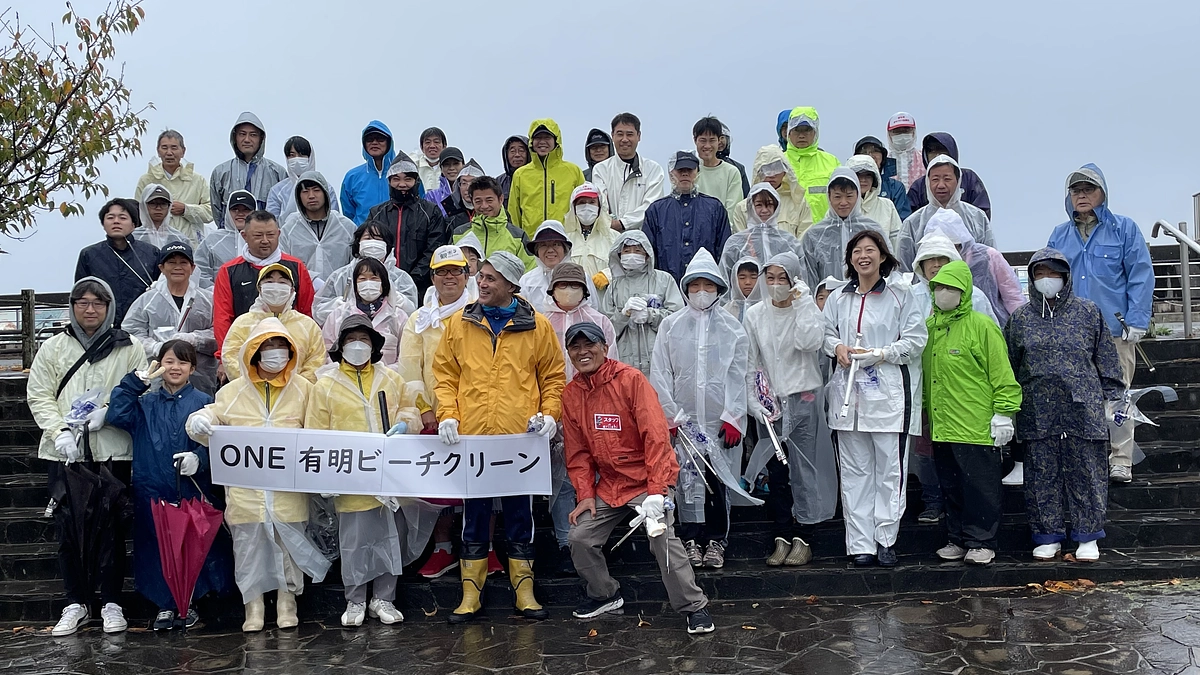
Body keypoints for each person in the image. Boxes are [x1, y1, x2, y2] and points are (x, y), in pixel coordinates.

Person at [433, 251, 566, 623]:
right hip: (473, 438)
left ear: (510, 283)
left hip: (518, 440)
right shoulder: (460, 323)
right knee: (473, 515)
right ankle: (470, 591)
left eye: (491, 278)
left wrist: (550, 415)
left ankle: (524, 587)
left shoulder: (536, 326)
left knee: (520, 514)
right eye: (482, 277)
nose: (482, 283)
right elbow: (445, 375)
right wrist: (448, 415)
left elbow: (553, 378)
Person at [562, 322, 714, 635]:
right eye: (575, 347)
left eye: (589, 344)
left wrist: (658, 491)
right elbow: (577, 454)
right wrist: (585, 495)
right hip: (610, 486)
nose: (582, 352)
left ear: (604, 348)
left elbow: (656, 436)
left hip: (648, 481)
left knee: (660, 535)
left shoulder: (630, 380)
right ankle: (604, 594)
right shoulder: (571, 394)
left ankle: (694, 607)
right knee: (579, 537)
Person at [185, 318, 330, 632]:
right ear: (253, 353)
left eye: (281, 347)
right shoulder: (232, 392)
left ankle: (287, 602)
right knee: (248, 550)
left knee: (289, 548)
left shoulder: (305, 389)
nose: (275, 354)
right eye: (267, 347)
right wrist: (198, 420)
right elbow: (211, 417)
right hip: (246, 493)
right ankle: (253, 606)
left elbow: (321, 430)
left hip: (289, 490)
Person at [28, 277, 148, 637]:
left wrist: (109, 412)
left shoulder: (129, 347)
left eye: (98, 302)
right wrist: (58, 431)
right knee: (68, 528)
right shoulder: (52, 348)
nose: (90, 309)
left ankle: (111, 601)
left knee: (111, 528)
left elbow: (142, 388)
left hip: (112, 450)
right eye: (83, 302)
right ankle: (74, 602)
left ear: (109, 307)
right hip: (65, 454)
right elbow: (39, 394)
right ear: (72, 306)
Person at [306, 315, 426, 628]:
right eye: (350, 339)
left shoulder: (390, 378)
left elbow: (409, 410)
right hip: (351, 477)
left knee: (390, 539)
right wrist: (325, 476)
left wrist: (406, 424)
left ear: (374, 345)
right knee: (354, 543)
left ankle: (384, 598)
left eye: (364, 339)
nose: (358, 346)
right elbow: (316, 433)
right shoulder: (326, 385)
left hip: (389, 474)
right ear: (340, 345)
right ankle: (355, 600)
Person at [105, 339, 234, 630]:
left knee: (192, 545)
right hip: (151, 489)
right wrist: (134, 383)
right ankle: (165, 604)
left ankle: (189, 602)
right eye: (169, 361)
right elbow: (117, 413)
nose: (175, 367)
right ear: (159, 365)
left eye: (183, 362)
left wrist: (200, 459)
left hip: (190, 489)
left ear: (192, 368)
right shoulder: (145, 404)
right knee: (155, 547)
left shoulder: (204, 403)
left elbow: (221, 443)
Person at [1005, 248, 1124, 562]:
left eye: (1053, 273)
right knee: (1041, 475)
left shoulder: (1088, 312)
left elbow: (1107, 360)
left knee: (1087, 472)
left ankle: (1088, 536)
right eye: (1040, 273)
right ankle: (1048, 535)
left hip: (1082, 408)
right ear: (1031, 278)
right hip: (1037, 410)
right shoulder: (1020, 319)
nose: (1047, 279)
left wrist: (1113, 401)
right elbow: (1010, 366)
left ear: (1066, 277)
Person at [823, 230, 926, 567]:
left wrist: (881, 353)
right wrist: (837, 347)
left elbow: (915, 340)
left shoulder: (901, 294)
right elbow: (823, 333)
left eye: (870, 250)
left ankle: (885, 539)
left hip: (889, 402)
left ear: (883, 256)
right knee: (854, 474)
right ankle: (859, 544)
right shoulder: (839, 297)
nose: (863, 256)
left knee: (889, 473)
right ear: (850, 258)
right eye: (857, 251)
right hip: (847, 402)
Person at [1047, 164, 1154, 483]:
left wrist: (1137, 319)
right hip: (1073, 333)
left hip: (1115, 330)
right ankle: (1089, 458)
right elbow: (1050, 279)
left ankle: (1121, 458)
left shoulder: (1125, 228)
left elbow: (1140, 274)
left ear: (1102, 194)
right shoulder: (1059, 234)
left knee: (1117, 395)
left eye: (1088, 189)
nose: (1081, 195)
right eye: (1075, 190)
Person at [650, 249, 754, 570]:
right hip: (684, 422)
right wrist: (669, 416)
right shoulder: (670, 326)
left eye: (708, 285)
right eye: (694, 285)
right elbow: (660, 373)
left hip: (718, 423)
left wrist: (734, 416)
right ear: (685, 288)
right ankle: (690, 539)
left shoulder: (733, 329)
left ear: (719, 288)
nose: (701, 292)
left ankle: (716, 541)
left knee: (717, 481)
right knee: (686, 481)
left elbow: (740, 374)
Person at [924, 261, 1022, 566]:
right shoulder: (930, 328)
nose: (943, 293)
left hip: (976, 424)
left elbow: (1001, 372)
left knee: (981, 487)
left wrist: (1004, 412)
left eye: (950, 287)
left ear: (965, 291)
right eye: (938, 286)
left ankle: (982, 541)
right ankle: (957, 538)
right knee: (951, 486)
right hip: (942, 425)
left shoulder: (981, 325)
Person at [397, 245, 486, 580]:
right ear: (432, 277)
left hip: (478, 412)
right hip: (435, 413)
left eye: (456, 271)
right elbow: (410, 369)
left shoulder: (481, 310)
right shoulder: (419, 320)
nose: (449, 277)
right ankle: (444, 548)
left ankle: (485, 548)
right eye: (442, 272)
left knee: (482, 482)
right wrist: (424, 410)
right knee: (442, 485)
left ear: (467, 275)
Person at [743, 252, 837, 566]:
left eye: (782, 278)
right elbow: (750, 360)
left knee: (804, 466)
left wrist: (804, 304)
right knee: (777, 471)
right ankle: (781, 534)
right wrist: (753, 399)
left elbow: (810, 342)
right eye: (770, 278)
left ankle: (805, 535)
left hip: (804, 396)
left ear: (794, 280)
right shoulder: (755, 314)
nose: (775, 285)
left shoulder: (803, 308)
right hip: (771, 401)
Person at [908, 231, 1001, 523]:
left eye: (941, 259)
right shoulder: (909, 297)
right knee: (926, 452)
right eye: (928, 260)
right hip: (924, 390)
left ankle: (969, 523)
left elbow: (993, 349)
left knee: (965, 459)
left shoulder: (978, 298)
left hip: (965, 395)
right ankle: (932, 500)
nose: (935, 265)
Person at [540, 262, 617, 574]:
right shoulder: (542, 323)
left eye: (574, 285)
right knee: (562, 479)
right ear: (552, 289)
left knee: (595, 476)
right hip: (555, 411)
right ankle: (564, 542)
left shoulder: (600, 322)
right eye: (562, 285)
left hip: (594, 407)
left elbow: (614, 366)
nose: (568, 291)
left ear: (585, 290)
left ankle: (596, 539)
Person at [122, 241, 220, 395]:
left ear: (193, 268)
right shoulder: (147, 300)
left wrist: (195, 339)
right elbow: (130, 332)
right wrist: (154, 347)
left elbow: (221, 333)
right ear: (161, 268)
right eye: (171, 262)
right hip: (157, 380)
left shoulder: (209, 300)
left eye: (183, 262)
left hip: (201, 382)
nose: (178, 267)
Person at [212, 211, 316, 352]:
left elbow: (306, 311)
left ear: (279, 234)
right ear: (244, 236)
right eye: (258, 235)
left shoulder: (296, 267)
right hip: (244, 347)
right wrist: (224, 356)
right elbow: (222, 317)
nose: (265, 240)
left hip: (290, 349)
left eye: (271, 235)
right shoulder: (229, 270)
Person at [222, 264, 326, 383]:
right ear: (259, 289)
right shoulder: (243, 324)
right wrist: (253, 385)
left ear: (292, 290)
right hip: (252, 395)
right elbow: (231, 357)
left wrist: (297, 388)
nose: (276, 286)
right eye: (270, 281)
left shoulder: (307, 325)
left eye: (282, 282)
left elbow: (317, 360)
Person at [599, 231, 684, 375]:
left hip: (658, 358)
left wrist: (650, 315)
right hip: (624, 360)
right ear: (619, 254)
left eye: (638, 250)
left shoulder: (664, 280)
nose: (632, 254)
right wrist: (623, 315)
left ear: (647, 254)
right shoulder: (614, 287)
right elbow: (605, 330)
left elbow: (678, 319)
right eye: (626, 251)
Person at [363, 154, 449, 296]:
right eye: (396, 179)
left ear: (416, 181)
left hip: (421, 287)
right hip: (381, 286)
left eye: (408, 179)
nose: (402, 184)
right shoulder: (376, 213)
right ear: (389, 181)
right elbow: (368, 247)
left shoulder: (430, 211)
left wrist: (410, 280)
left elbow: (434, 249)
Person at [923, 208, 1024, 325]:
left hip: (991, 327)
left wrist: (1022, 326)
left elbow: (1013, 296)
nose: (946, 251)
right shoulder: (931, 266)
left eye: (952, 245)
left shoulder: (988, 256)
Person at [643, 151, 731, 282]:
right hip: (667, 287)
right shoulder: (656, 210)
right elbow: (648, 253)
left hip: (705, 285)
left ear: (697, 172)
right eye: (680, 170)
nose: (685, 174)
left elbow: (724, 251)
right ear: (671, 173)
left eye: (689, 170)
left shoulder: (714, 208)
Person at [897, 155, 995, 269]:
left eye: (947, 179)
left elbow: (991, 262)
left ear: (958, 181)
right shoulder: (913, 223)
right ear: (927, 182)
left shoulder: (977, 217)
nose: (941, 185)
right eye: (935, 179)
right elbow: (904, 270)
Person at [75, 197, 161, 327]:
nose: (116, 221)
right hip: (102, 326)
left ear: (134, 224)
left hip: (142, 326)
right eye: (110, 217)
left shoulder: (152, 253)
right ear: (103, 224)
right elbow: (80, 293)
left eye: (122, 217)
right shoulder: (89, 255)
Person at [313, 220, 419, 324]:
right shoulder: (340, 276)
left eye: (378, 238)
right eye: (368, 238)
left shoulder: (401, 278)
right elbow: (319, 310)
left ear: (387, 245)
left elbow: (412, 315)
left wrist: (401, 302)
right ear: (358, 243)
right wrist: (336, 305)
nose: (372, 242)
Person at [800, 168, 885, 290]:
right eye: (837, 196)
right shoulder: (815, 235)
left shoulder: (872, 229)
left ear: (858, 195)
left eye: (849, 196)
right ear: (829, 197)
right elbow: (808, 276)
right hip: (828, 301)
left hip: (867, 299)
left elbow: (887, 267)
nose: (843, 202)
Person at [320, 258, 409, 367]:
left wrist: (384, 375)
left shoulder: (398, 317)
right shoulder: (338, 315)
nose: (368, 283)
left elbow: (406, 357)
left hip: (387, 380)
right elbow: (326, 352)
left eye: (374, 278)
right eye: (362, 279)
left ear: (384, 283)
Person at [590, 112, 666, 233]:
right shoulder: (601, 169)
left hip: (643, 239)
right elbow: (600, 203)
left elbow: (651, 206)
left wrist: (622, 223)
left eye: (630, 134)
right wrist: (610, 223)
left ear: (639, 136)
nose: (625, 139)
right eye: (620, 134)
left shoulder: (653, 170)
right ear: (612, 136)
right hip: (608, 237)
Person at [280, 170, 357, 288]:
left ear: (325, 193)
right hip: (303, 294)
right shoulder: (289, 229)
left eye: (316, 190)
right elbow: (285, 265)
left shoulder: (346, 227)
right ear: (298, 196)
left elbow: (356, 263)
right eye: (305, 191)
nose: (311, 196)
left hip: (340, 297)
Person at [509, 118, 586, 236]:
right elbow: (514, 213)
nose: (542, 142)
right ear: (531, 141)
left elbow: (584, 205)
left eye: (547, 138)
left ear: (556, 141)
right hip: (531, 244)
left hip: (567, 240)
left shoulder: (573, 171)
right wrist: (520, 241)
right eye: (538, 138)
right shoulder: (520, 174)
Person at [209, 112, 286, 229]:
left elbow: (283, 210)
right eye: (242, 134)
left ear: (261, 139)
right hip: (230, 238)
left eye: (253, 135)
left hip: (264, 239)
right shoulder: (221, 172)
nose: (247, 139)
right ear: (235, 137)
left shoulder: (277, 172)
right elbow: (217, 210)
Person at [135, 129, 213, 245]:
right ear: (158, 151)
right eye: (164, 147)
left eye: (174, 148)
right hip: (153, 244)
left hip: (189, 244)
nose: (169, 152)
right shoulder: (146, 180)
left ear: (183, 151)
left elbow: (210, 212)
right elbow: (137, 212)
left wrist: (186, 209)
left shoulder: (197, 180)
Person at [719, 183, 804, 281]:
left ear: (776, 207)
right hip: (746, 296)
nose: (764, 210)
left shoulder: (789, 241)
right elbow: (725, 276)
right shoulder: (736, 242)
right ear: (751, 207)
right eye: (759, 205)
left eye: (769, 205)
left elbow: (800, 276)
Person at [728, 145, 814, 238]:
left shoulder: (799, 204)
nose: (772, 175)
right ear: (758, 172)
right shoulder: (743, 208)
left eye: (777, 168)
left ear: (785, 172)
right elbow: (740, 242)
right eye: (766, 169)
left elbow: (804, 238)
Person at [451, 175, 536, 269]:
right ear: (472, 202)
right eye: (478, 201)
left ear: (501, 199)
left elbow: (530, 271)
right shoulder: (459, 234)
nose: (484, 206)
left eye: (489, 200)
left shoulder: (517, 236)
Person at [906, 132, 992, 218]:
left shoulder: (969, 179)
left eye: (942, 150)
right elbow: (911, 220)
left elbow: (982, 215)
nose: (937, 155)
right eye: (932, 151)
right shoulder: (919, 186)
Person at [519, 220, 596, 314]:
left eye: (556, 244)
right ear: (537, 251)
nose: (550, 250)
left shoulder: (581, 277)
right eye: (543, 245)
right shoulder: (527, 281)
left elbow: (594, 310)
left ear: (565, 249)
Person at [267, 136, 342, 223]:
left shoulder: (326, 188)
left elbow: (334, 219)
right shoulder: (277, 191)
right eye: (292, 155)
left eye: (301, 155)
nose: (297, 159)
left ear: (310, 157)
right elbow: (271, 222)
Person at [783, 107, 840, 221]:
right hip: (786, 234)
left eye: (807, 130)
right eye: (797, 130)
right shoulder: (778, 161)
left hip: (824, 233)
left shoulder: (832, 162)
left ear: (815, 132)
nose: (802, 135)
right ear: (789, 133)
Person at [195, 190, 256, 288]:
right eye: (235, 209)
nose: (240, 213)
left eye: (246, 209)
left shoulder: (263, 239)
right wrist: (216, 293)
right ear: (227, 211)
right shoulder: (213, 240)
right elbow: (200, 271)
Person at [340, 121, 396, 225]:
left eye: (380, 139)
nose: (374, 143)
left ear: (389, 143)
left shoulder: (403, 174)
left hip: (398, 238)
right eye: (369, 139)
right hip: (364, 238)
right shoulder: (352, 177)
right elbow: (348, 215)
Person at [563, 182, 620, 279]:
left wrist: (607, 275)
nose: (586, 207)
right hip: (573, 291)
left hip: (604, 293)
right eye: (581, 202)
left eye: (592, 202)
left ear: (600, 206)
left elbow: (625, 266)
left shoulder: (614, 237)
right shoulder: (564, 239)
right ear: (574, 207)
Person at [846, 154, 904, 249]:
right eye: (858, 175)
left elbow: (897, 243)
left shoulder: (887, 206)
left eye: (868, 175)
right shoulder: (842, 207)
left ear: (875, 178)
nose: (863, 180)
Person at [853, 136, 912, 220]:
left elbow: (904, 222)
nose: (870, 156)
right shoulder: (848, 186)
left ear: (883, 158)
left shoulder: (895, 188)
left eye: (875, 151)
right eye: (864, 152)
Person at [691, 117, 743, 212]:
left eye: (712, 140)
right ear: (695, 140)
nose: (707, 146)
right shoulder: (690, 170)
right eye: (703, 140)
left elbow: (733, 210)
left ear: (719, 141)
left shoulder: (732, 172)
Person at [136, 184, 190, 250]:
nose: (158, 208)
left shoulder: (180, 239)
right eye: (153, 203)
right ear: (144, 206)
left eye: (163, 204)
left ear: (169, 207)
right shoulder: (134, 237)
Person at [884, 112, 925, 190]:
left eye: (906, 131)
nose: (902, 135)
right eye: (897, 132)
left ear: (913, 132)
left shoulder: (924, 159)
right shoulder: (883, 163)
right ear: (889, 134)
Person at [442, 159, 485, 230]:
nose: (468, 188)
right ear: (458, 186)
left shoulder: (492, 209)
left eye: (473, 183)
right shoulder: (447, 210)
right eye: (464, 183)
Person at [425, 146, 465, 214]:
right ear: (441, 168)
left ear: (463, 165)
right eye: (446, 164)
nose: (451, 168)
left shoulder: (471, 192)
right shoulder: (432, 196)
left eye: (456, 163)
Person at [718, 124, 751, 199]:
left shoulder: (738, 168)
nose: (720, 142)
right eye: (717, 138)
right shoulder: (699, 165)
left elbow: (747, 198)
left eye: (722, 137)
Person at [724, 258, 761, 322]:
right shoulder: (727, 310)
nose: (748, 282)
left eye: (753, 277)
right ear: (735, 280)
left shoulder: (766, 308)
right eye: (742, 278)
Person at [497, 135, 530, 205]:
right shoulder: (499, 182)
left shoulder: (538, 178)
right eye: (512, 151)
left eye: (521, 151)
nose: (517, 155)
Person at [413, 127, 447, 191]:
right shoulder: (413, 166)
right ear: (421, 147)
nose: (432, 146)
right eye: (428, 142)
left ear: (444, 146)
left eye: (436, 142)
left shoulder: (450, 167)